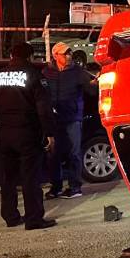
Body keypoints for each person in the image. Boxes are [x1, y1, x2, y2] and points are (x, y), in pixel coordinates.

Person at [0, 41, 57, 230]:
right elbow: (43, 109)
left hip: (3, 132)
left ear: (11, 56)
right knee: (30, 177)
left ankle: (10, 216)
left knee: (7, 178)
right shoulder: (33, 75)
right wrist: (49, 132)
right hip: (26, 132)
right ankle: (33, 219)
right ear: (30, 57)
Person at [43, 42, 96, 199]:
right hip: (54, 119)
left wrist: (95, 85)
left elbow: (91, 90)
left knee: (74, 153)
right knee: (53, 154)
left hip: (72, 117)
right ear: (55, 56)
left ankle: (75, 187)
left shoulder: (78, 72)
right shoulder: (47, 72)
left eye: (70, 53)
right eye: (65, 53)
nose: (69, 56)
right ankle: (56, 187)